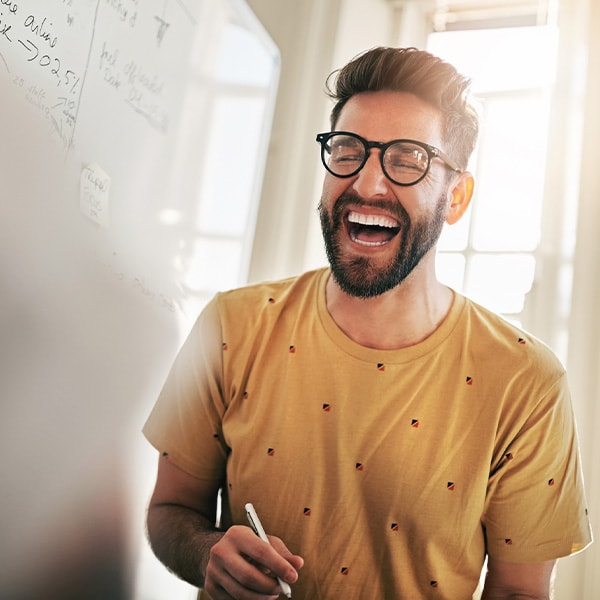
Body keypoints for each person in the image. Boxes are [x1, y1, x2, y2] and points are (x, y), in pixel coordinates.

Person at [143, 47, 592, 599]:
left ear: (456, 197)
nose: (368, 185)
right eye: (348, 150)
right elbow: (170, 512)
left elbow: (520, 592)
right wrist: (209, 553)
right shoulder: (229, 326)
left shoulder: (527, 380)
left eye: (407, 160)